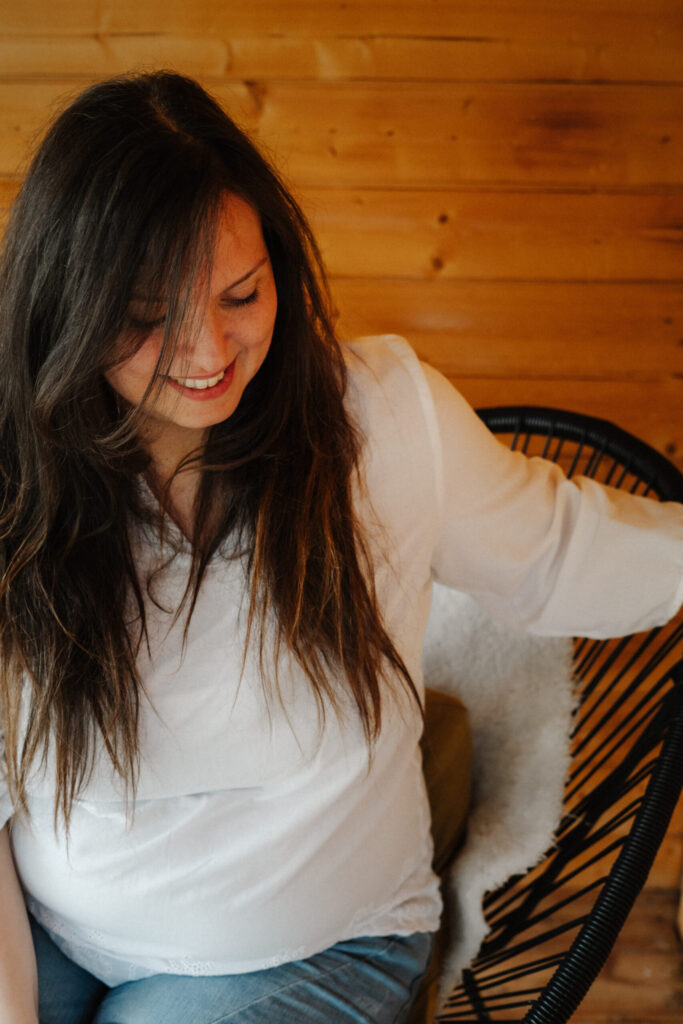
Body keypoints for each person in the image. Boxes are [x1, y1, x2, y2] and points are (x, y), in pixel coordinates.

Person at [0, 71, 681, 1024]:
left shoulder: (383, 422)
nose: (209, 354)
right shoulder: (19, 483)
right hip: (57, 927)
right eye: (149, 316)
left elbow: (562, 553)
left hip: (317, 946)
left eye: (241, 294)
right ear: (67, 310)